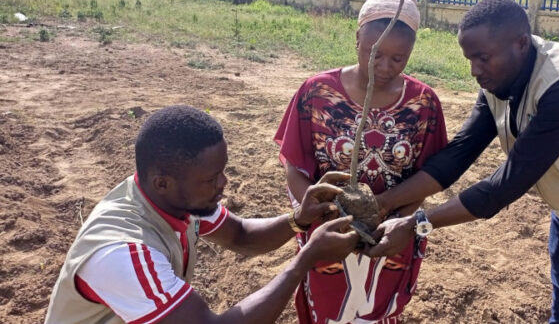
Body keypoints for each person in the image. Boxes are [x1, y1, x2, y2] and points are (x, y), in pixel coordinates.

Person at [367, 0, 559, 323]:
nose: (474, 71)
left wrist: (416, 225)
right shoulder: (500, 80)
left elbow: (505, 184)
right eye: (469, 58)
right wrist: (383, 202)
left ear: (521, 43)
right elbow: (459, 153)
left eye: (482, 58)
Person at [45, 105, 360, 324]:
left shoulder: (169, 198)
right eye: (211, 179)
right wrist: (304, 261)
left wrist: (299, 219)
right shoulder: (124, 254)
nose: (223, 183)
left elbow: (241, 235)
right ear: (163, 183)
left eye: (221, 172)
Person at [274, 0, 448, 324]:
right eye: (374, 53)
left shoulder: (423, 104)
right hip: (328, 232)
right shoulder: (316, 92)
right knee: (329, 308)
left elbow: (429, 177)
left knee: (377, 308)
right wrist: (315, 215)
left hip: (391, 236)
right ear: (356, 40)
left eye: (398, 58)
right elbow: (295, 166)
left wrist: (401, 220)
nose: (384, 67)